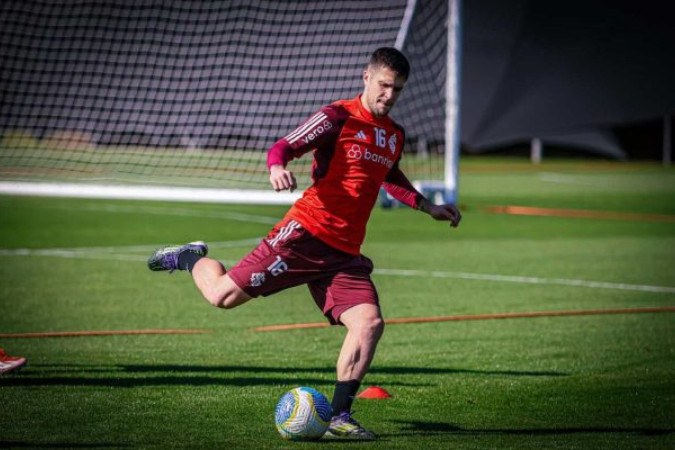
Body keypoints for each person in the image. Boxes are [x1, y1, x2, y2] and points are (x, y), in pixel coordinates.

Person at [147, 47, 461, 440]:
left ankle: (340, 418)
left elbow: (389, 175)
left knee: (369, 324)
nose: (389, 95)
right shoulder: (336, 117)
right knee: (221, 297)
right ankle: (190, 257)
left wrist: (426, 206)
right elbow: (284, 146)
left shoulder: (393, 135)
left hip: (344, 255)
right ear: (366, 78)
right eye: (383, 85)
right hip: (304, 235)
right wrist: (277, 167)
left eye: (396, 90)